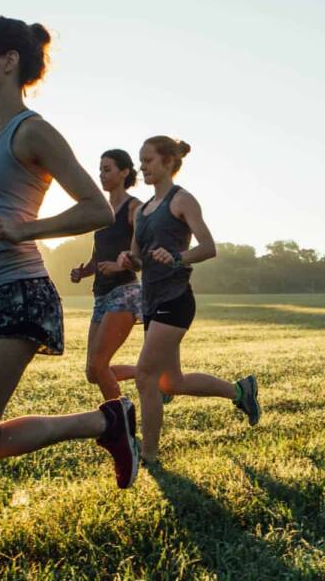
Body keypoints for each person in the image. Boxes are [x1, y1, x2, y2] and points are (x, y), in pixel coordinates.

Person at [0, 16, 138, 579]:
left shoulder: (31, 130)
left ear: (9, 61)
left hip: (18, 291)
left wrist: (22, 232)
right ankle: (104, 424)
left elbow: (97, 208)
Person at [117, 135, 260, 465]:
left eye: (148, 160)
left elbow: (208, 247)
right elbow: (140, 259)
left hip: (176, 298)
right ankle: (241, 392)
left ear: (168, 162)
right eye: (141, 161)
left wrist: (178, 258)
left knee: (145, 376)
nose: (142, 167)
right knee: (171, 381)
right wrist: (129, 259)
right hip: (151, 300)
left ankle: (149, 456)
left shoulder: (182, 201)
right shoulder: (141, 211)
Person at [70, 149, 142, 400]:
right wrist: (83, 271)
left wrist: (121, 265)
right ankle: (147, 372)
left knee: (100, 366)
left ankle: (119, 423)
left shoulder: (134, 208)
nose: (101, 175)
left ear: (124, 172)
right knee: (92, 372)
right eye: (100, 169)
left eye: (107, 169)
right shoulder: (102, 210)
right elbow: (97, 257)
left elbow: (144, 253)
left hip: (124, 292)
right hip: (100, 295)